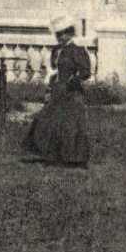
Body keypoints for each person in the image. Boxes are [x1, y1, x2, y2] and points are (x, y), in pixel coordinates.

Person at [22, 13, 91, 167]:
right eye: (58, 34)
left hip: (72, 92)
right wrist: (49, 90)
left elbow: (86, 72)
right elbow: (54, 72)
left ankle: (73, 158)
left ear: (70, 33)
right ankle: (52, 155)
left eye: (63, 34)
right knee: (48, 121)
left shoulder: (77, 50)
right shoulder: (56, 51)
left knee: (70, 124)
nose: (60, 37)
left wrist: (73, 80)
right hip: (57, 91)